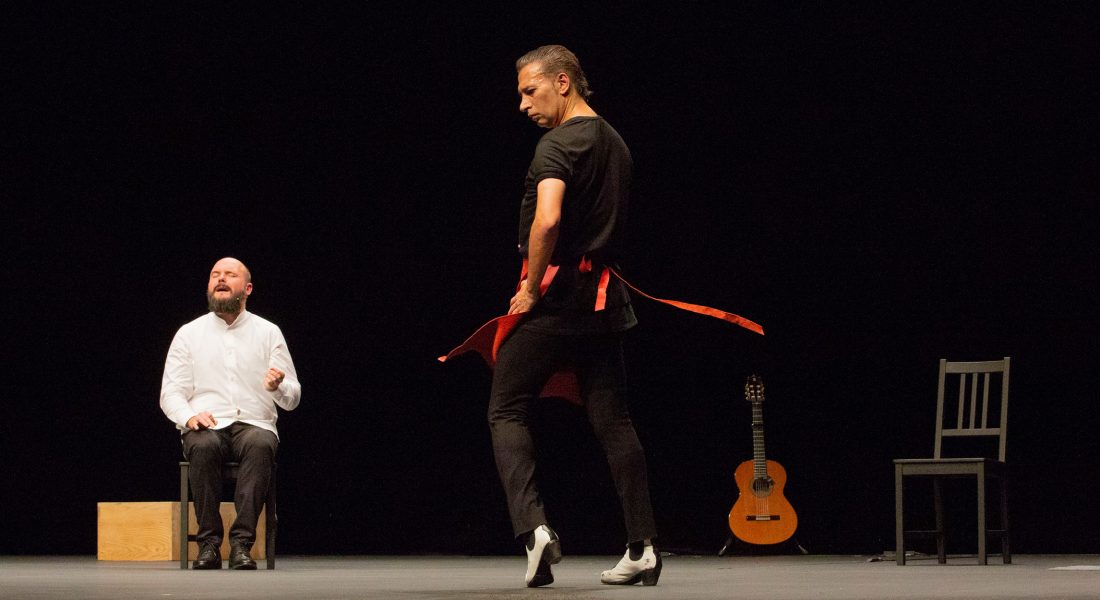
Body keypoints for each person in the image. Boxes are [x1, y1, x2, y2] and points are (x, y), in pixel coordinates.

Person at [488, 45, 660, 588]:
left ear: (563, 83)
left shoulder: (556, 145)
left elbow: (548, 221)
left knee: (506, 408)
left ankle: (534, 529)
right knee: (614, 421)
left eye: (529, 91)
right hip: (605, 304)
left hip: (560, 297)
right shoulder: (615, 142)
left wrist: (533, 289)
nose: (522, 104)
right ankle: (644, 547)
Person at [160, 257, 301, 570]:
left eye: (230, 275)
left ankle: (242, 545)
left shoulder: (268, 332)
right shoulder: (189, 334)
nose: (220, 279)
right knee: (203, 444)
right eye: (215, 275)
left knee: (262, 443)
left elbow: (292, 398)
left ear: (247, 288)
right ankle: (208, 545)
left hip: (253, 423)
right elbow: (170, 393)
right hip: (207, 425)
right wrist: (188, 417)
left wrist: (278, 386)